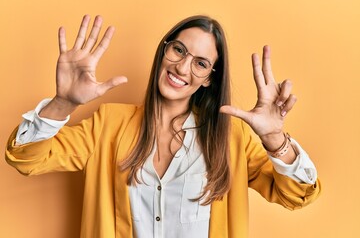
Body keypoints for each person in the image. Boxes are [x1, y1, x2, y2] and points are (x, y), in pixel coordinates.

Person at [5, 15, 321, 238]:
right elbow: (26, 157)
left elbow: (297, 195)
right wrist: (64, 102)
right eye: (178, 50)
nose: (182, 67)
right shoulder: (108, 124)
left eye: (200, 62)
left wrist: (274, 138)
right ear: (164, 49)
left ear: (210, 77)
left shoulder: (232, 138)